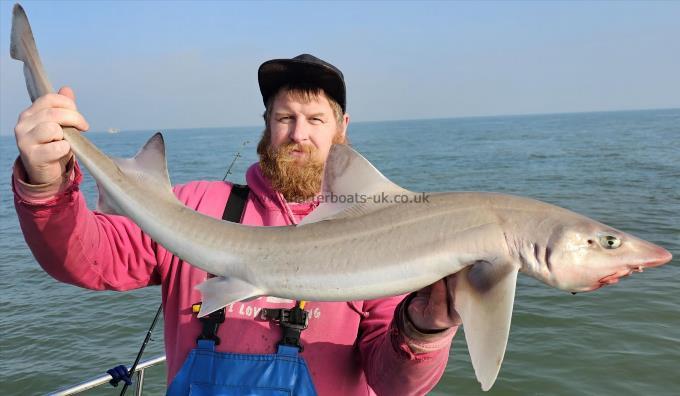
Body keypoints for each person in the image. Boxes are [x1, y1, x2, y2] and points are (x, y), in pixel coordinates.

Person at [13, 54, 462, 395]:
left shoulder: (377, 237)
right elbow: (86, 258)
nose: (298, 135)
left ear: (341, 128)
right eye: (285, 118)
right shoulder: (197, 208)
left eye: (315, 120)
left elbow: (394, 383)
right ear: (266, 124)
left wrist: (422, 332)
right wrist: (46, 183)